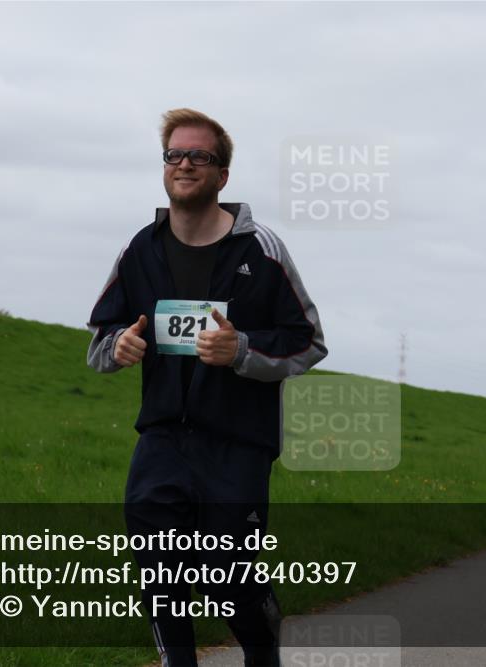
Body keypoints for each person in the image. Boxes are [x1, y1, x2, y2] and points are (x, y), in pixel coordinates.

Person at [87, 108, 327, 667]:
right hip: (162, 442)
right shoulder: (140, 249)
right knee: (158, 572)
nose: (186, 163)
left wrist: (240, 350)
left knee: (233, 588)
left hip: (237, 445)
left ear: (223, 174)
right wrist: (121, 346)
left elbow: (308, 342)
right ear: (164, 167)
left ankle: (260, 636)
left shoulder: (261, 250)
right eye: (175, 155)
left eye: (201, 156)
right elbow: (100, 342)